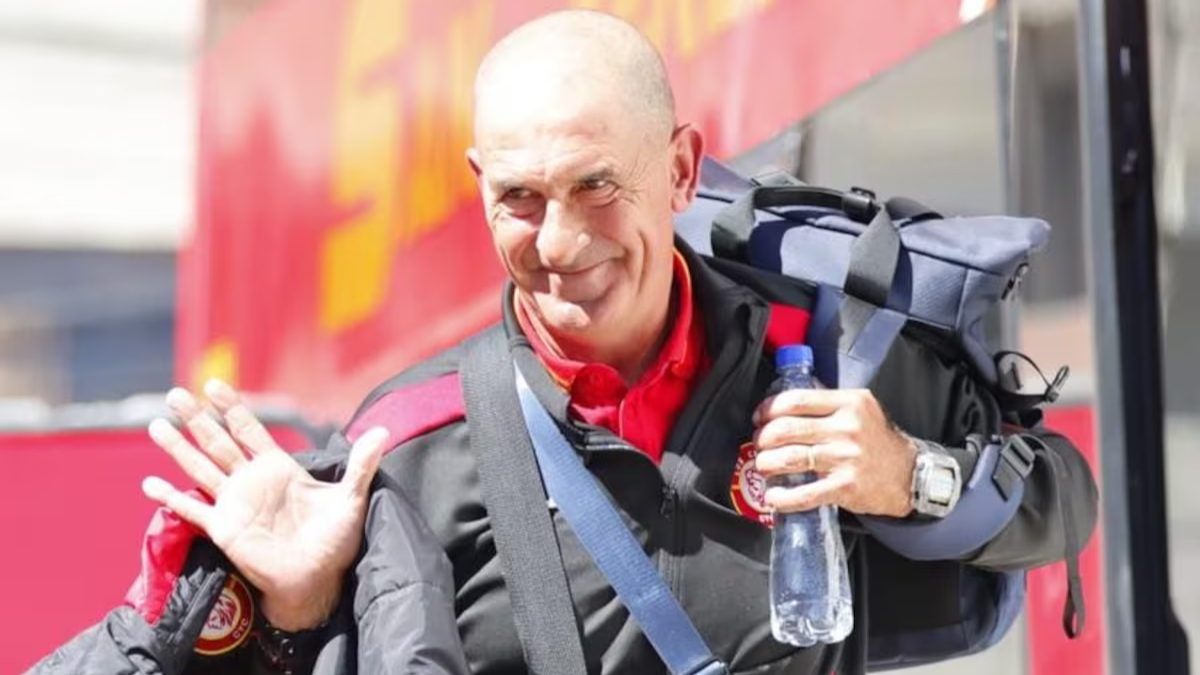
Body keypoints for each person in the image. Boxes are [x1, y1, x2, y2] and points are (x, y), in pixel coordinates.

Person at [29, 9, 1098, 675]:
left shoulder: (820, 353)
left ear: (680, 170)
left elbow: (1065, 502)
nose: (559, 242)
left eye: (597, 186)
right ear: (478, 189)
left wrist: (904, 474)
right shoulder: (408, 446)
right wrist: (296, 612)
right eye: (521, 198)